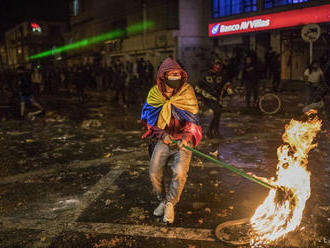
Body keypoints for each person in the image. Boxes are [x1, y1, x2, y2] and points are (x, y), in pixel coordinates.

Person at [141, 57, 202, 224]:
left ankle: (170, 203)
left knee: (180, 172)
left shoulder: (187, 91)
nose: (175, 76)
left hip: (183, 140)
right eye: (171, 74)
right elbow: (149, 119)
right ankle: (162, 200)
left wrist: (185, 137)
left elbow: (193, 118)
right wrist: (162, 135)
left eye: (178, 74)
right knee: (154, 172)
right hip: (164, 139)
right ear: (163, 76)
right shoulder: (155, 93)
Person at [195, 60, 232, 137]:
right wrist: (203, 94)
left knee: (217, 114)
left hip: (218, 97)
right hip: (207, 97)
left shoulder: (222, 74)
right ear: (212, 65)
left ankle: (212, 131)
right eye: (216, 65)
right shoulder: (205, 74)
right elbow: (197, 87)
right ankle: (214, 131)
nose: (218, 67)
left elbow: (226, 82)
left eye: (219, 65)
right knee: (217, 111)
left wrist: (228, 88)